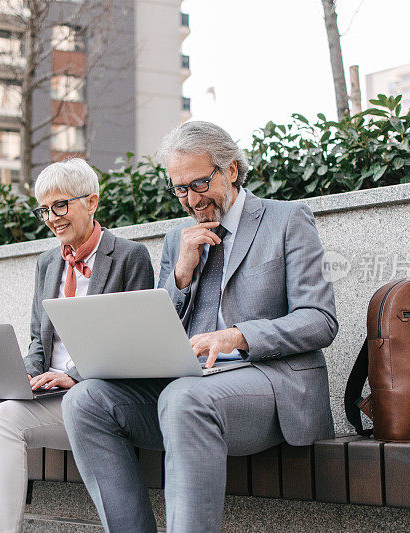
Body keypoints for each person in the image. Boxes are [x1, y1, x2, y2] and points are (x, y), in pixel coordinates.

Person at [61, 121, 338, 532]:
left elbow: (320, 320)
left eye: (199, 183)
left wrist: (238, 336)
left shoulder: (287, 220)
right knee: (85, 402)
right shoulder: (178, 239)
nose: (191, 199)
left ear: (230, 170)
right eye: (179, 189)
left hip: (270, 386)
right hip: (191, 387)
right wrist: (181, 276)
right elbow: (158, 330)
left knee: (184, 397)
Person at [0, 158, 155, 533]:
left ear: (91, 202)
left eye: (60, 205)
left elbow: (131, 342)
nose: (51, 217)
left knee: (0, 422)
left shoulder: (130, 256)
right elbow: (38, 342)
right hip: (45, 393)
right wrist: (23, 376)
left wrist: (72, 377)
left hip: (92, 395)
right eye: (44, 209)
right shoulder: (48, 263)